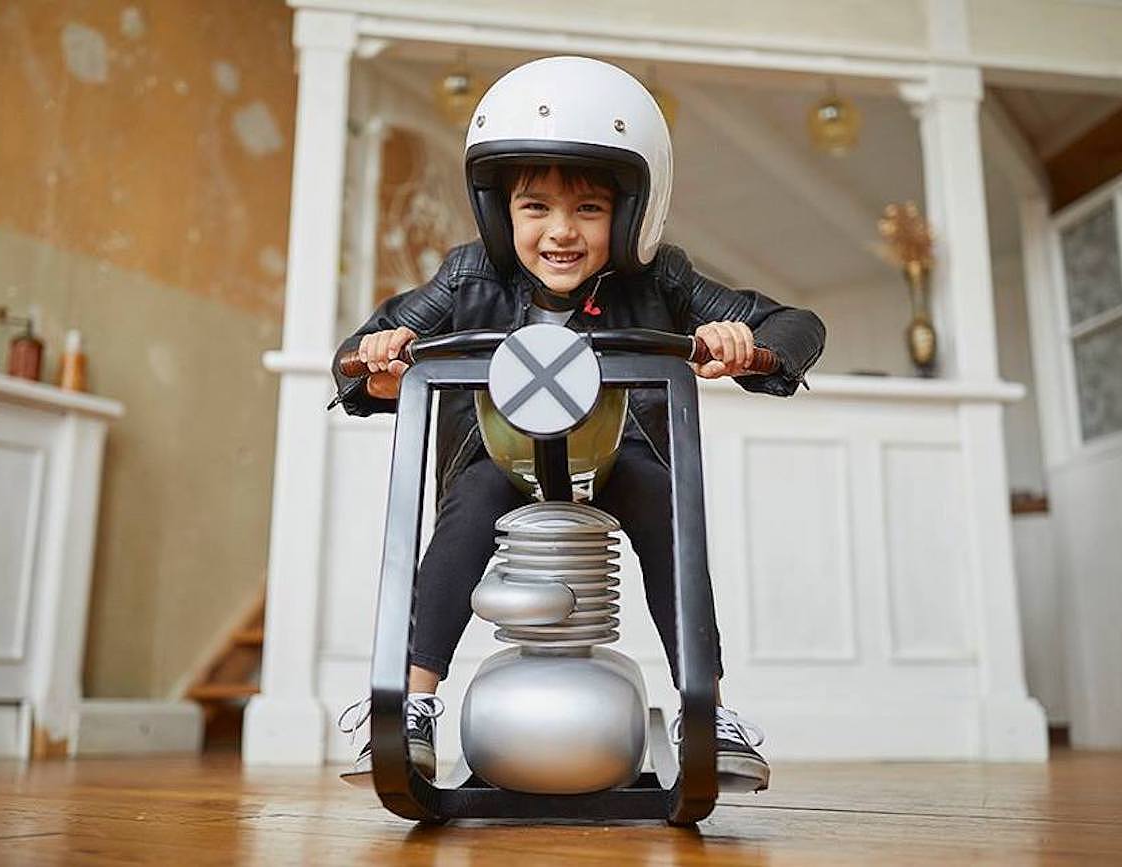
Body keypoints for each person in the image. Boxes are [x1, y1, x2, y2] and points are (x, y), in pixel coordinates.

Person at [333, 56, 825, 793]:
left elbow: (797, 324)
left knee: (665, 507)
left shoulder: (660, 276)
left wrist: (747, 344)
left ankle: (708, 712)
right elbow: (356, 354)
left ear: (629, 215)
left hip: (618, 451)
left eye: (588, 210)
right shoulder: (468, 274)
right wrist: (376, 362)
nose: (560, 232)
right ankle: (414, 702)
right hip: (498, 456)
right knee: (463, 514)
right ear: (501, 214)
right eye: (535, 209)